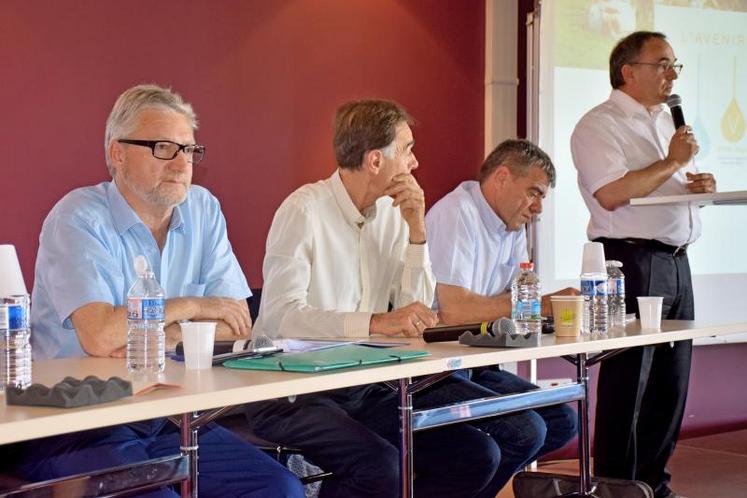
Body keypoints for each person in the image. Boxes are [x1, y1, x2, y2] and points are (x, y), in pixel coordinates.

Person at [17, 84, 304, 498]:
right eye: (164, 147)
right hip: (76, 422)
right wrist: (192, 306)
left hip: (168, 417)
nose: (181, 163)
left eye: (189, 150)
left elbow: (236, 322)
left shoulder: (203, 209)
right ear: (118, 153)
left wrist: (149, 334)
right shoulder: (78, 217)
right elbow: (99, 336)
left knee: (279, 488)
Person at [247, 100, 537, 498]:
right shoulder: (304, 210)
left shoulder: (394, 215)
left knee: (477, 454)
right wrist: (375, 322)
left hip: (361, 381)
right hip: (290, 389)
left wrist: (418, 232)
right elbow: (282, 317)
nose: (415, 162)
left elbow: (419, 313)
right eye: (407, 149)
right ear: (374, 160)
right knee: (382, 467)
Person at [571, 31, 716, 498]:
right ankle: (616, 487)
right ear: (628, 71)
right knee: (630, 383)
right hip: (631, 261)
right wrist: (671, 162)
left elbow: (662, 185)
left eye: (676, 65)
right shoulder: (599, 125)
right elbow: (612, 193)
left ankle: (653, 485)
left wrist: (698, 186)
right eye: (663, 64)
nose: (672, 74)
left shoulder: (665, 123)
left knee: (671, 387)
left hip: (677, 262)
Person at [425, 138, 578, 494]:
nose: (538, 207)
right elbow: (455, 310)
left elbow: (515, 301)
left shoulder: (513, 226)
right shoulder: (456, 212)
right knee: (527, 430)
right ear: (503, 177)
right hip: (434, 368)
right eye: (534, 193)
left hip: (477, 359)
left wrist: (539, 307)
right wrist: (539, 303)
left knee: (561, 421)